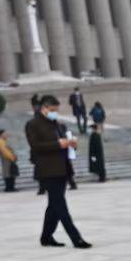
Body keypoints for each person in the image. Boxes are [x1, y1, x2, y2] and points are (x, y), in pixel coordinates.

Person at [25, 96, 91, 249]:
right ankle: (76, 238)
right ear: (44, 108)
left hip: (63, 168)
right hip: (48, 170)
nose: (55, 113)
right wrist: (58, 144)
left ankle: (46, 237)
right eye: (52, 110)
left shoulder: (58, 124)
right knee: (60, 205)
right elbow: (35, 146)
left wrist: (71, 143)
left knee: (54, 205)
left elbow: (65, 142)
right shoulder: (33, 124)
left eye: (56, 110)